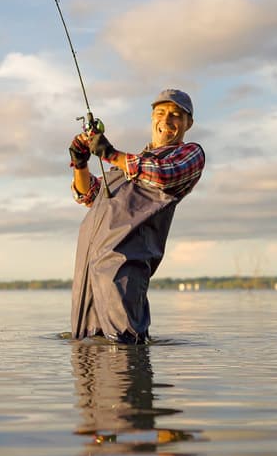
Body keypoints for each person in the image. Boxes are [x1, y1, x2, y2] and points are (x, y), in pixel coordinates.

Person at [68, 89, 205, 343]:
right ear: (152, 118)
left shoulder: (190, 154)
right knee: (86, 354)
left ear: (189, 123)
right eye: (161, 113)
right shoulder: (127, 167)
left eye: (176, 115)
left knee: (124, 350)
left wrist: (110, 153)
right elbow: (88, 195)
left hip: (123, 275)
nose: (166, 120)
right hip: (87, 281)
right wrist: (80, 162)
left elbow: (163, 173)